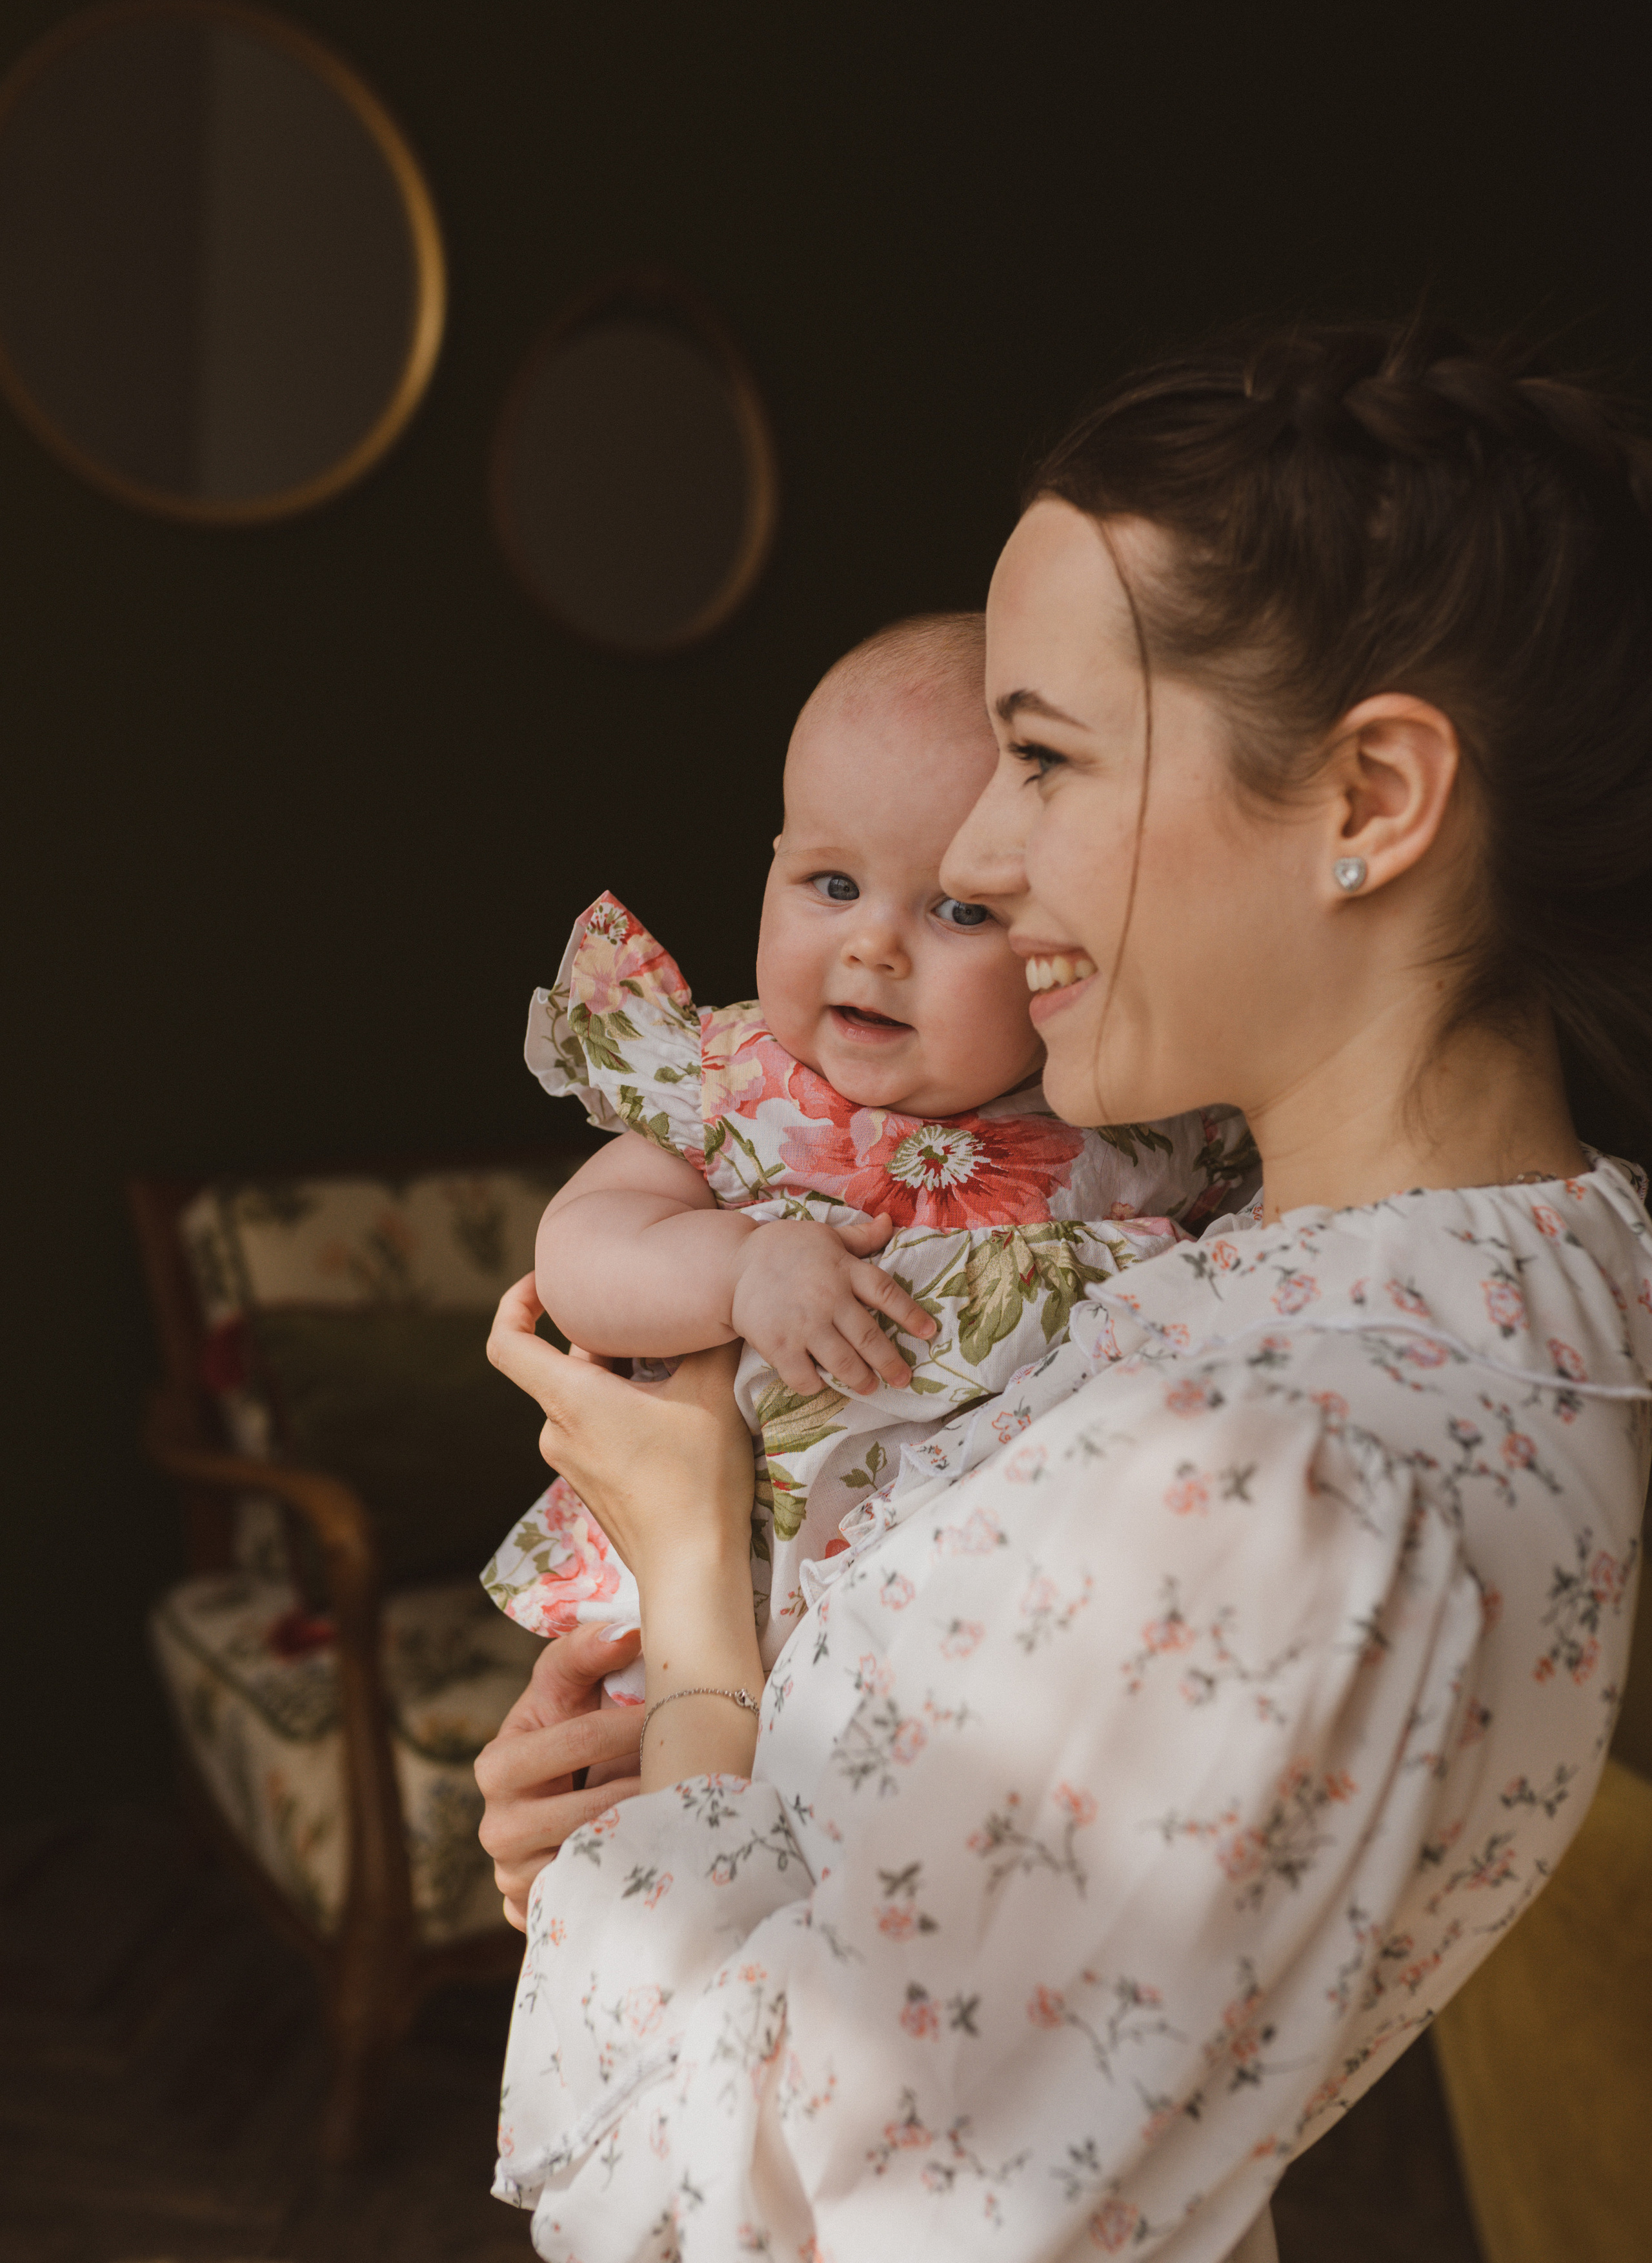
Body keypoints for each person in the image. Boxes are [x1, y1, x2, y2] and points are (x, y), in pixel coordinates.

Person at [476, 319, 1652, 2263]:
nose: (989, 862)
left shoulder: (1273, 1480)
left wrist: (693, 1602)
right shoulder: (1421, 1288)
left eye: (1041, 758)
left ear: (1372, 798)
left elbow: (723, 2218)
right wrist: (647, 1834)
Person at [485, 615, 1252, 1700]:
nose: (873, 945)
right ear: (773, 866)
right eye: (832, 886)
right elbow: (578, 1256)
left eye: (959, 909)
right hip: (712, 1616)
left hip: (973, 1638)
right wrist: (741, 1269)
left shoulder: (1135, 1114)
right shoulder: (739, 1086)